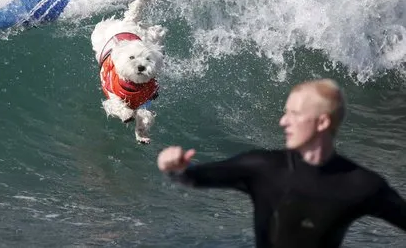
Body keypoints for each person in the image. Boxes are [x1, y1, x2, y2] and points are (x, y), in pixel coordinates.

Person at [157, 79, 406, 248]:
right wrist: (174, 166)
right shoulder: (262, 168)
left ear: (322, 123)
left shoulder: (361, 185)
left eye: (294, 114)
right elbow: (194, 176)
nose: (283, 122)